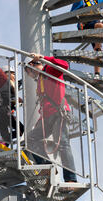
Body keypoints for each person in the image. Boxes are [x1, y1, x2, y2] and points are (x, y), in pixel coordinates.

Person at [25, 54, 77, 185]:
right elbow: (44, 104)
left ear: (32, 66)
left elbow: (64, 65)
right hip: (47, 116)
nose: (30, 76)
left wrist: (43, 58)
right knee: (30, 139)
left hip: (59, 113)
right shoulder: (40, 81)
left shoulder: (50, 70)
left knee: (63, 143)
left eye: (28, 72)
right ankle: (48, 167)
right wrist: (39, 123)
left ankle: (71, 178)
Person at [71, 1, 103, 78]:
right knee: (101, 26)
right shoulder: (81, 1)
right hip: (86, 25)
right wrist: (80, 21)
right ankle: (98, 46)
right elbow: (72, 13)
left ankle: (97, 74)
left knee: (98, 52)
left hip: (94, 26)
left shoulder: (96, 1)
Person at [0, 64, 24, 142]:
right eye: (13, 74)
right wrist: (16, 99)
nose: (15, 76)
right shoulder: (5, 83)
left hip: (2, 112)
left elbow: (17, 84)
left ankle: (2, 142)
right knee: (21, 130)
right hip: (2, 112)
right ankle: (1, 142)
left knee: (6, 135)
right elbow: (5, 95)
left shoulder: (6, 83)